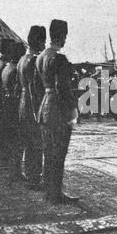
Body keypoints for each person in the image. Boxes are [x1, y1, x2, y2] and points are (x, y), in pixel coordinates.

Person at [36, 19, 79, 204]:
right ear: (61, 36)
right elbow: (63, 88)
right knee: (59, 153)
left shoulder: (41, 57)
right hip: (57, 109)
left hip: (44, 106)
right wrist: (72, 111)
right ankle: (56, 193)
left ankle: (48, 191)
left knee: (48, 151)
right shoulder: (59, 58)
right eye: (65, 36)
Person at [17, 26, 46, 189]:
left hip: (23, 103)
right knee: (36, 143)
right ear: (38, 40)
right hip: (33, 104)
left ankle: (30, 175)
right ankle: (35, 178)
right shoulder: (35, 60)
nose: (44, 44)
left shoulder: (22, 59)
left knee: (29, 141)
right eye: (43, 40)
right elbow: (35, 89)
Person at [2, 42, 26, 182]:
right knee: (18, 140)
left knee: (10, 139)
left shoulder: (6, 67)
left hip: (6, 104)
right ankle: (16, 171)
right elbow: (17, 88)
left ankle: (12, 169)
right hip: (14, 105)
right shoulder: (16, 69)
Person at [0, 39, 13, 165]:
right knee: (5, 128)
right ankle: (4, 155)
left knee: (0, 127)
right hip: (4, 97)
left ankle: (0, 154)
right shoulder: (5, 65)